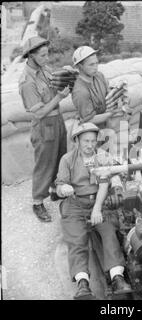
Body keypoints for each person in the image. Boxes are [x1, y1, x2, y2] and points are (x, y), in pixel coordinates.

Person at [55, 122, 131, 299]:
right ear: (77, 141)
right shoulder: (67, 160)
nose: (90, 145)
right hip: (74, 205)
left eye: (93, 141)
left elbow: (106, 182)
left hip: (100, 202)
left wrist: (97, 209)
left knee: (109, 233)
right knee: (76, 240)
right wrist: (63, 188)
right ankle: (83, 283)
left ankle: (117, 277)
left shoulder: (103, 156)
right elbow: (59, 187)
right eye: (85, 141)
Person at [19, 36, 69, 222]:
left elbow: (54, 84)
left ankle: (56, 190)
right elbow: (38, 114)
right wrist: (60, 98)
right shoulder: (27, 82)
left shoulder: (45, 69)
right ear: (31, 56)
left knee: (60, 156)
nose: (46, 58)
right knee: (45, 163)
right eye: (42, 55)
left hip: (57, 120)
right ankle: (38, 202)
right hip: (44, 124)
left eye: (47, 54)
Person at [71, 46, 118, 130]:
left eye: (96, 63)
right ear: (80, 66)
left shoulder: (99, 76)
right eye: (91, 64)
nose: (95, 67)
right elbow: (89, 120)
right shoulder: (80, 91)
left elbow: (109, 95)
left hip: (105, 126)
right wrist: (112, 113)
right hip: (90, 132)